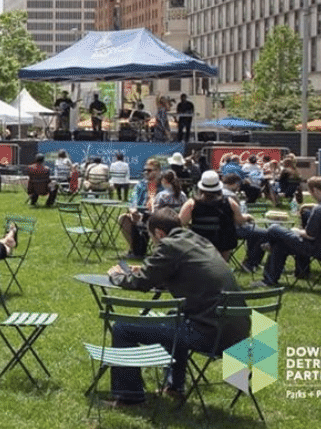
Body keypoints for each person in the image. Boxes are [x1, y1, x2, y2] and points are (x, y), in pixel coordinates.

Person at [105, 208, 249, 406]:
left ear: (159, 233)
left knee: (122, 328)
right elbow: (190, 272)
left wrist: (117, 276)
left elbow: (141, 283)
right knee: (174, 316)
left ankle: (129, 397)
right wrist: (154, 269)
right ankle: (174, 386)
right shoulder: (198, 240)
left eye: (152, 238)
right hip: (238, 334)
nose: (154, 243)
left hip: (210, 335)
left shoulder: (169, 245)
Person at [241, 176, 321, 286]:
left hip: (317, 249)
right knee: (279, 244)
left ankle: (262, 255)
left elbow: (309, 235)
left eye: (310, 192)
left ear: (315, 190)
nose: (311, 195)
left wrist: (295, 230)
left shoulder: (320, 210)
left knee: (274, 228)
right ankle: (271, 279)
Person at [177, 170, 244, 259]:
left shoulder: (192, 203)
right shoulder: (230, 202)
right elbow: (239, 220)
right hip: (223, 245)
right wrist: (247, 217)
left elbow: (180, 222)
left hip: (199, 245)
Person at [118, 160, 162, 258]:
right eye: (145, 170)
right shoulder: (140, 185)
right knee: (123, 218)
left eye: (149, 170)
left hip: (157, 216)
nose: (146, 172)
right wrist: (133, 210)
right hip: (140, 215)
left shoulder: (163, 185)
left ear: (158, 171)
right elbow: (133, 198)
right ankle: (135, 250)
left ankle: (160, 252)